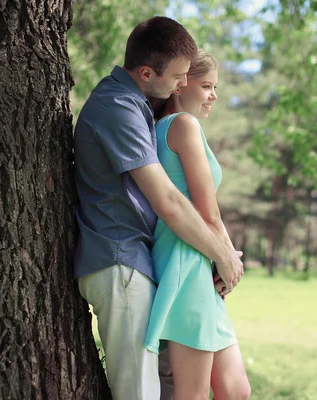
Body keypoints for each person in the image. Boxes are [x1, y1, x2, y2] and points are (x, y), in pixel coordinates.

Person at [73, 17, 244, 400]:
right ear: (147, 72)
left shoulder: (136, 106)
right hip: (119, 262)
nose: (183, 85)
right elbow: (166, 199)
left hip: (138, 262)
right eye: (179, 76)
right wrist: (224, 256)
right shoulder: (118, 107)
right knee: (141, 393)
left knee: (161, 388)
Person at [144, 50, 251, 400]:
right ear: (179, 85)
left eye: (215, 87)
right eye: (206, 86)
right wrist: (229, 259)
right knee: (191, 395)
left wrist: (223, 257)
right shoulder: (183, 126)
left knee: (235, 390)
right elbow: (209, 214)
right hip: (186, 265)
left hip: (199, 264)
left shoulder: (163, 129)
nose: (214, 96)